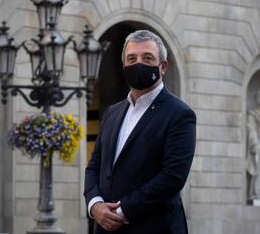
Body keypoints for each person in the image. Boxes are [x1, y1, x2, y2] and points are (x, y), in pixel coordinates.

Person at [84, 30, 196, 234]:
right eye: (132, 58)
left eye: (147, 58)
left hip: (154, 227)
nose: (139, 64)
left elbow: (173, 177)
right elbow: (94, 167)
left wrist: (122, 211)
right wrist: (95, 205)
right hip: (104, 227)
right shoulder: (112, 112)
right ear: (124, 66)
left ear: (162, 66)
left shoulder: (180, 114)